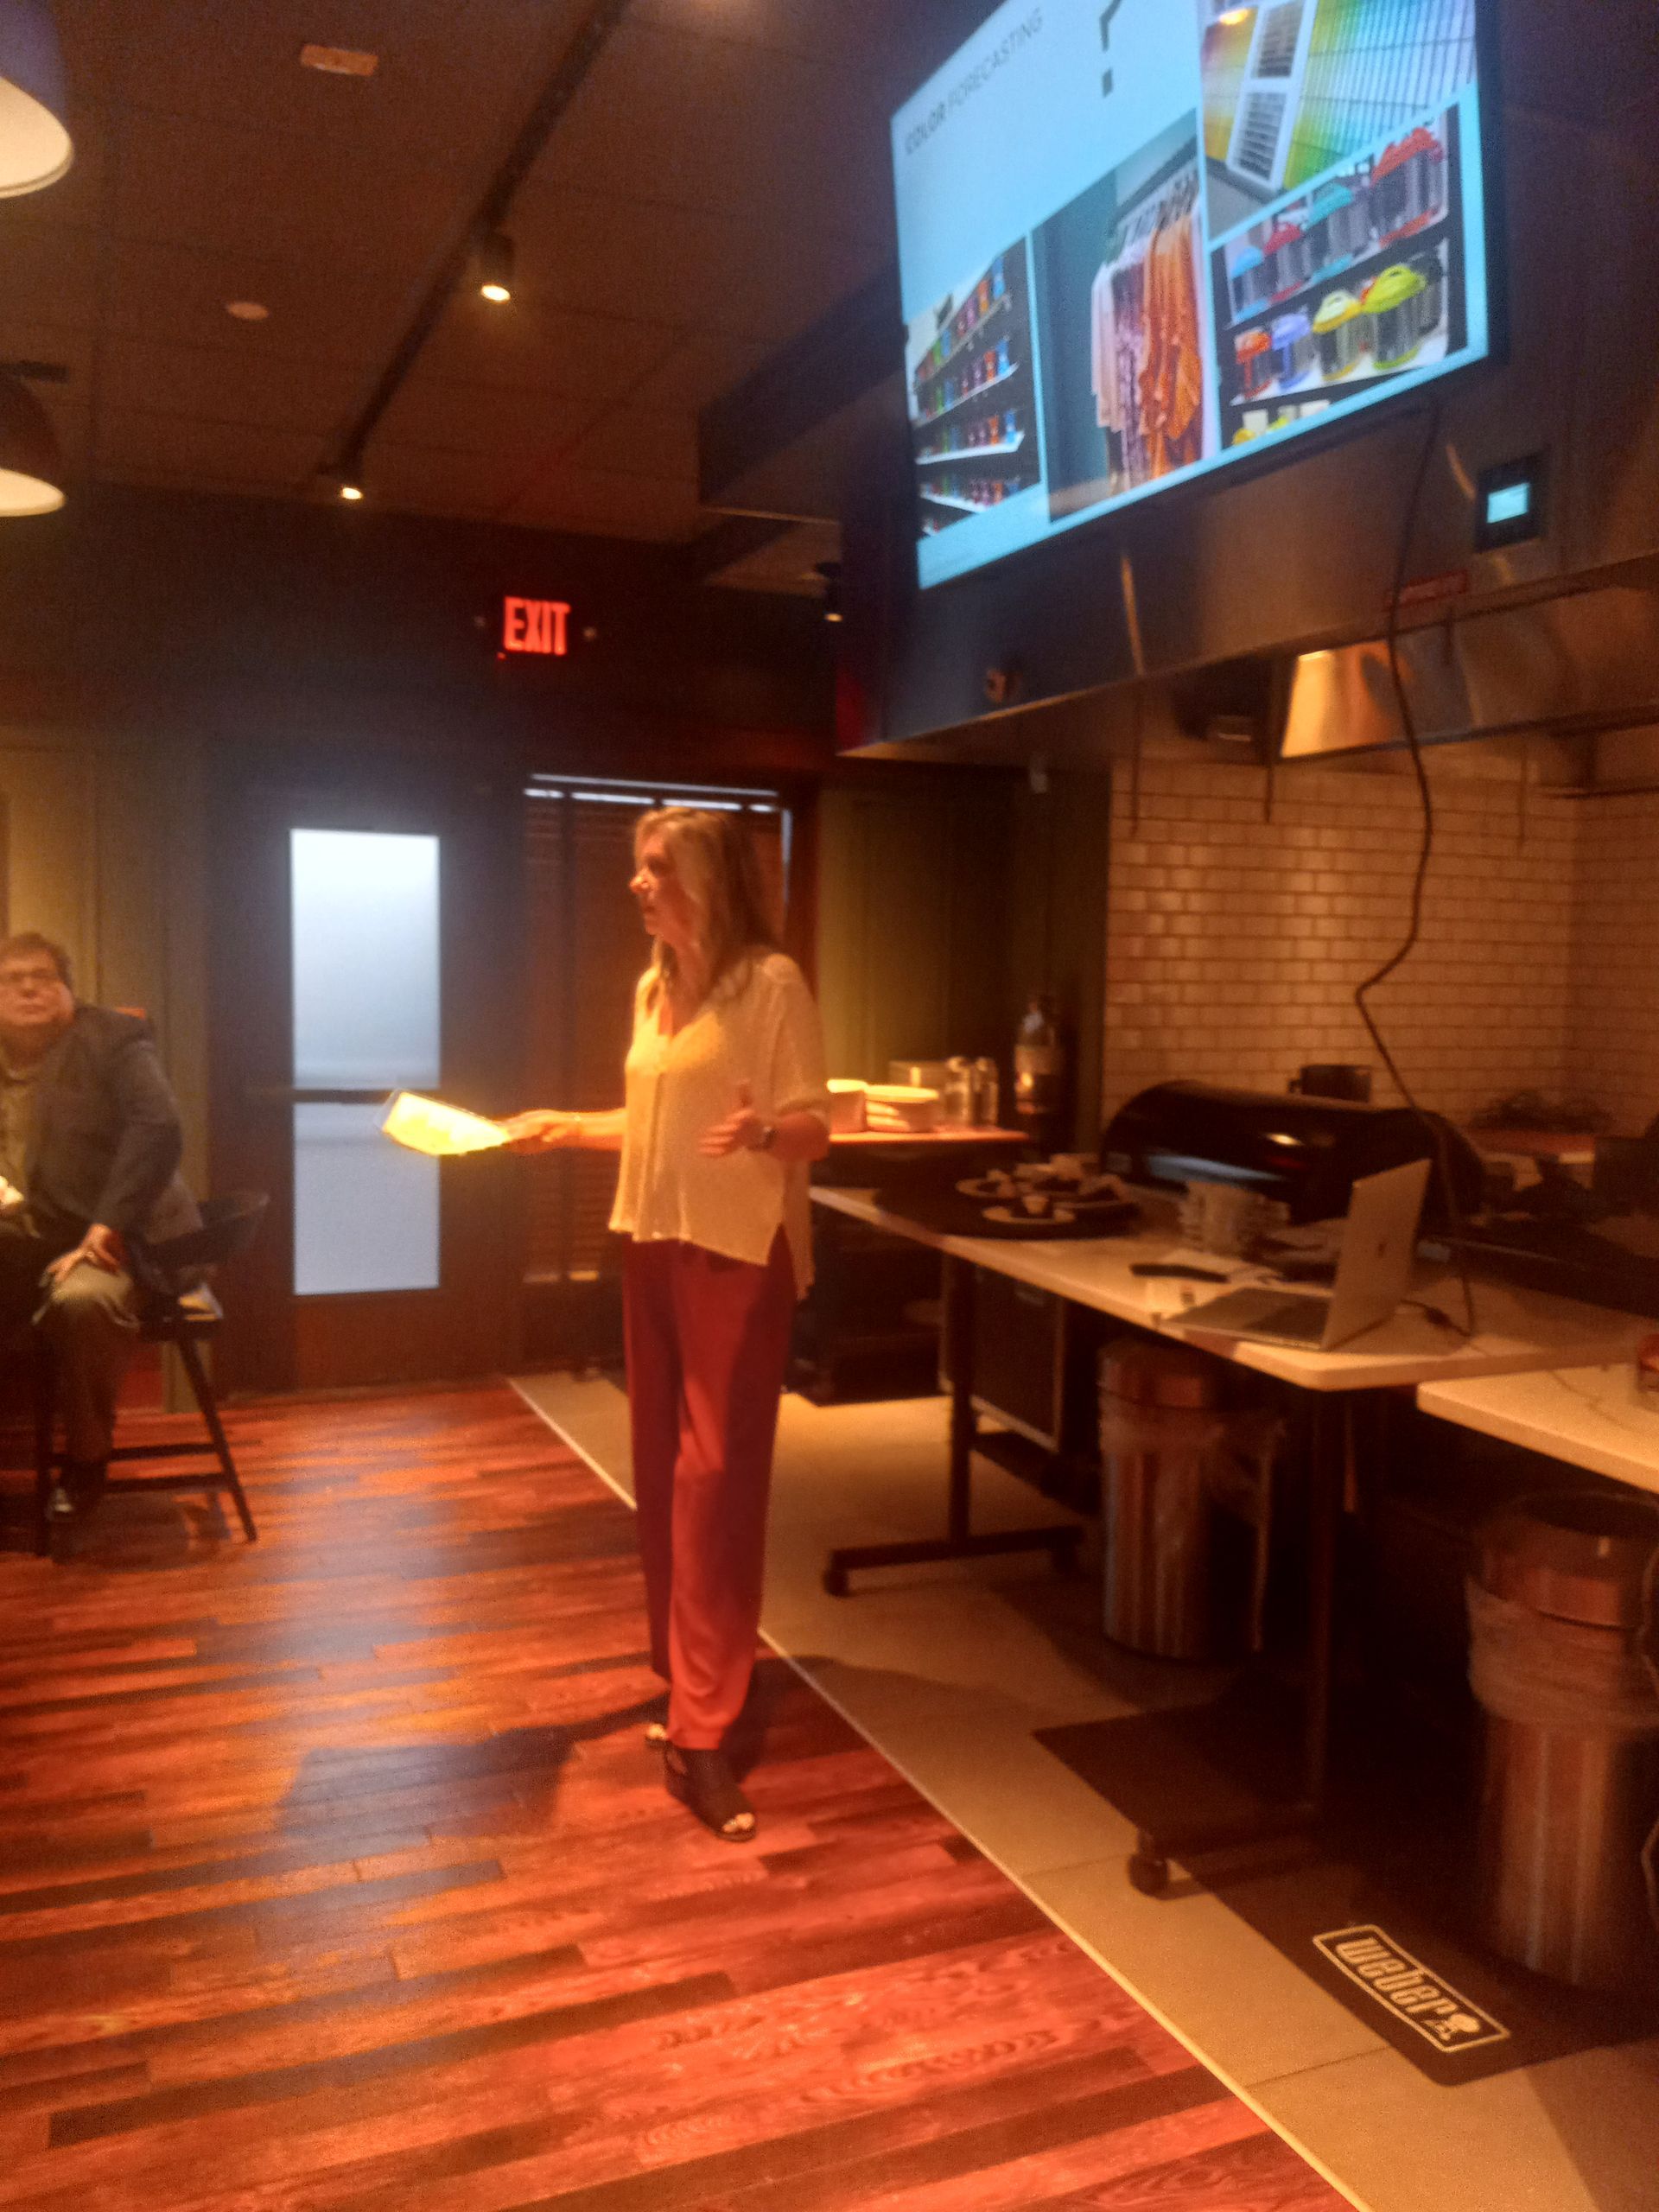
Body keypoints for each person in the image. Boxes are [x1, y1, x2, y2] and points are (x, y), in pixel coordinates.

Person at [505, 809, 830, 1843]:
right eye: (637, 869)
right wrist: (565, 1126)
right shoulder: (653, 988)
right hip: (653, 1242)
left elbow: (822, 1121)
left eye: (658, 868)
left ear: (713, 878)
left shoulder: (768, 984)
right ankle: (684, 1685)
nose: (639, 885)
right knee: (658, 1468)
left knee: (713, 1485)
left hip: (738, 1253)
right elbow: (651, 1121)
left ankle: (704, 1728)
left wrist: (768, 1129)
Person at [0, 932, 199, 1519]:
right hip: (23, 1237)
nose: (29, 988)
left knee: (85, 1303)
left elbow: (159, 1128)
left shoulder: (114, 1038)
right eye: (13, 979)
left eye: (42, 976)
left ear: (67, 988)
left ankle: (88, 1457)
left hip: (118, 1237)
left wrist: (105, 1228)